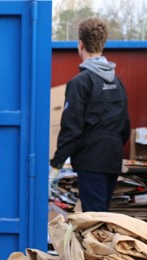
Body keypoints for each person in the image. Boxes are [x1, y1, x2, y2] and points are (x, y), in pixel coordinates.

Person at [49, 18, 131, 212]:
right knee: (102, 217)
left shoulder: (80, 82)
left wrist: (56, 164)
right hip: (112, 161)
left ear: (80, 44)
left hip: (91, 163)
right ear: (102, 44)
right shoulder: (118, 83)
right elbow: (125, 127)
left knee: (93, 222)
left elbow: (72, 127)